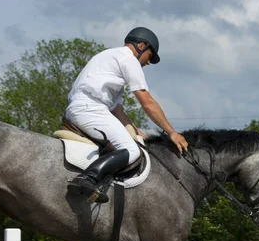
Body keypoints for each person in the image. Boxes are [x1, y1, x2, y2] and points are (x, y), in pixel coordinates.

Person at [65, 26, 188, 203]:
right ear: (142, 45)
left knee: (133, 141)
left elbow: (117, 110)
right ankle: (87, 179)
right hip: (90, 109)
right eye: (150, 56)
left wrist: (136, 131)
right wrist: (172, 133)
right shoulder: (128, 60)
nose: (147, 63)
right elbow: (147, 102)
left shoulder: (111, 57)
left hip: (85, 108)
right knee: (131, 150)